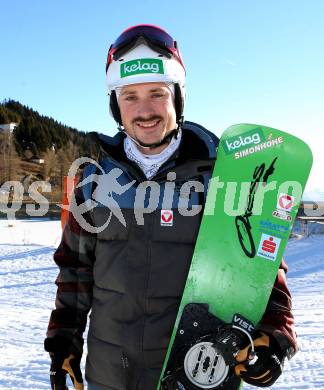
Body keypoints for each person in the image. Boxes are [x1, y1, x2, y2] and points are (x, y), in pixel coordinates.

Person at [44, 24, 298, 390]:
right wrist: (63, 341)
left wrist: (275, 336)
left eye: (157, 94)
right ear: (115, 103)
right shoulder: (93, 181)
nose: (144, 110)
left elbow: (261, 266)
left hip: (193, 374)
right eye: (129, 96)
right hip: (109, 375)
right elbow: (75, 271)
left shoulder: (222, 176)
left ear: (178, 97)